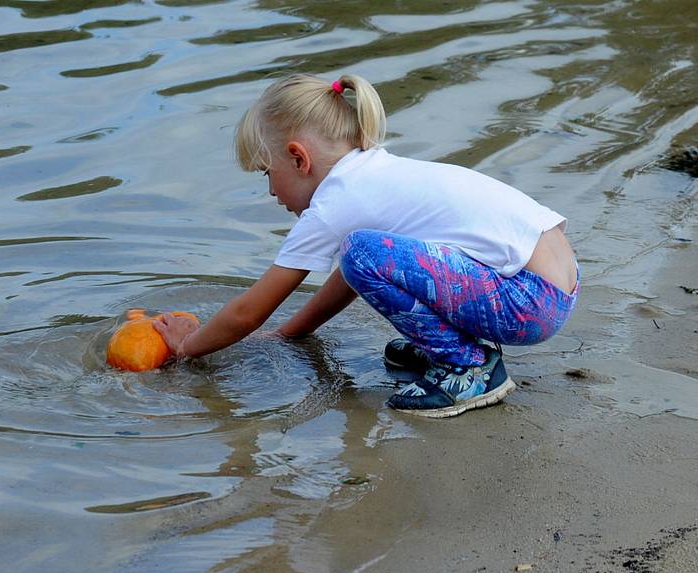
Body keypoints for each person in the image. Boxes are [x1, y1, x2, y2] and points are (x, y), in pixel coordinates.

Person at [154, 73, 579, 418]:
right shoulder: (373, 172)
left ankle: (467, 367)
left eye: (267, 173)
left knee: (361, 252)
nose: (270, 192)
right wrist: (292, 332)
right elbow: (354, 276)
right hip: (548, 284)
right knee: (365, 254)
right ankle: (449, 347)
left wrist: (186, 346)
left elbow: (250, 310)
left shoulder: (333, 202)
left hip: (526, 300)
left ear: (298, 158)